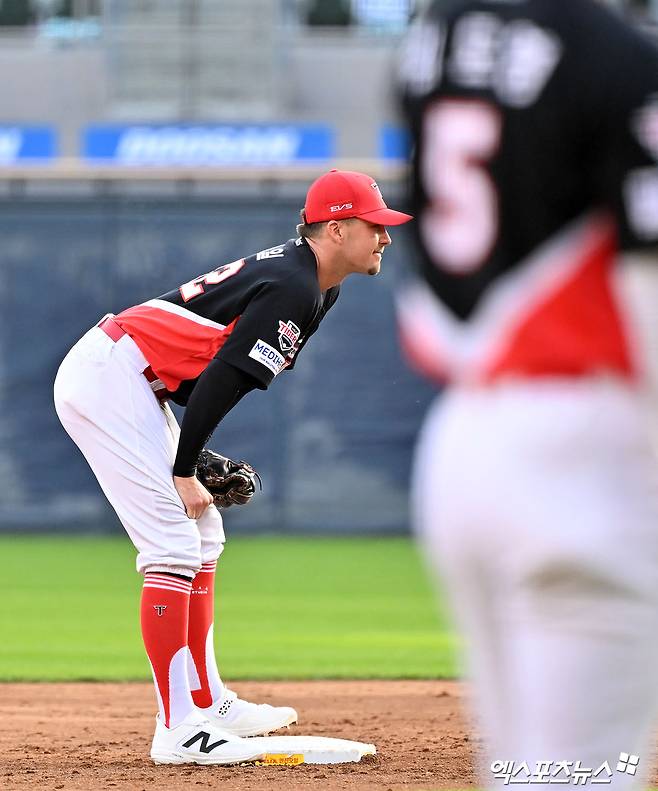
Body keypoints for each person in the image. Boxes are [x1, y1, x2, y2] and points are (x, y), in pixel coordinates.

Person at [53, 169, 412, 765]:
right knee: (171, 542)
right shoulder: (296, 285)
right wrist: (186, 465)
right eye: (376, 226)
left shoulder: (316, 285)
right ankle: (178, 729)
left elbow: (210, 372)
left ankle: (209, 702)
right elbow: (222, 380)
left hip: (138, 382)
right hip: (112, 379)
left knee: (204, 531)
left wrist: (195, 458)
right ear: (337, 226)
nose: (386, 238)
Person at [397, 0, 658, 786]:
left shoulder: (433, 37)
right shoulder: (614, 58)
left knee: (525, 768)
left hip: (463, 439)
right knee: (581, 774)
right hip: (588, 443)